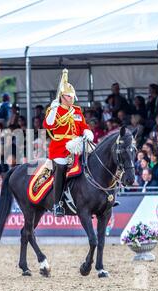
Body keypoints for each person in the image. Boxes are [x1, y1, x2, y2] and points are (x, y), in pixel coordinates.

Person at [43, 69, 92, 217]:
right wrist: (52, 110)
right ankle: (57, 203)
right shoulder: (55, 110)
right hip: (60, 147)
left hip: (78, 144)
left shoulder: (77, 110)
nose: (71, 99)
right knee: (62, 167)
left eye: (72, 97)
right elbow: (48, 125)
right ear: (62, 97)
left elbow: (83, 126)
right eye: (68, 97)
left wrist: (87, 132)